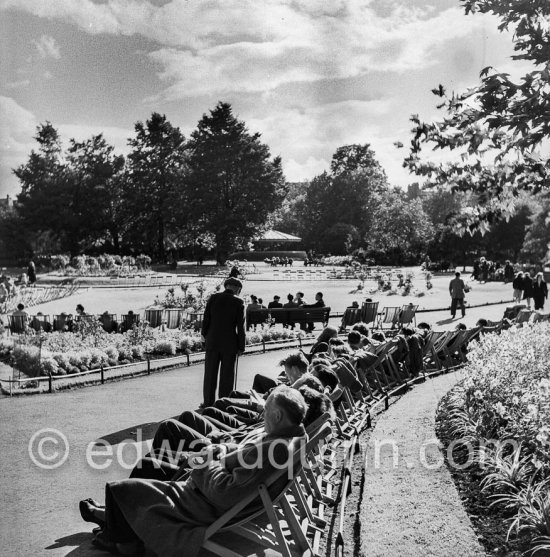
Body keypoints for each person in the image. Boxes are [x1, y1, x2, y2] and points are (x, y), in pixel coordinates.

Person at [79, 386, 308, 557]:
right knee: (146, 474)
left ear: (278, 416)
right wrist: (221, 450)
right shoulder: (289, 438)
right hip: (215, 493)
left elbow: (224, 493)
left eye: (266, 410)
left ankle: (119, 533)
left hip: (206, 504)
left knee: (128, 489)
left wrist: (207, 461)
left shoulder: (277, 449)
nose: (263, 414)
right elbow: (242, 456)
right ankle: (114, 522)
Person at [201, 277, 246, 406]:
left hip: (212, 341)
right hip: (230, 344)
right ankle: (223, 403)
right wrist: (241, 346)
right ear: (237, 289)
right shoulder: (239, 302)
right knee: (227, 375)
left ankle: (208, 402)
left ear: (226, 286)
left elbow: (206, 319)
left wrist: (204, 337)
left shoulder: (213, 298)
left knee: (210, 374)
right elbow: (240, 327)